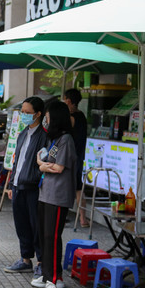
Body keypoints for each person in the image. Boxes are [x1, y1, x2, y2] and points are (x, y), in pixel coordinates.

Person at [31, 101, 76, 288]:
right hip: (46, 193)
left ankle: (53, 281)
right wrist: (42, 163)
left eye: (47, 117)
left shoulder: (66, 139)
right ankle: (51, 275)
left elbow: (57, 167)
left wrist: (41, 166)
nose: (45, 121)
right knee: (45, 235)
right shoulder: (55, 139)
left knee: (51, 236)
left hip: (57, 196)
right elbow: (44, 159)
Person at [3, 97, 47, 278]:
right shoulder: (22, 134)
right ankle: (25, 259)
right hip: (18, 185)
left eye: (27, 113)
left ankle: (41, 263)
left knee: (36, 225)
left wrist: (35, 179)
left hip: (34, 188)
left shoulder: (44, 136)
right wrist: (12, 183)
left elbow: (44, 163)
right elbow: (16, 162)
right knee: (21, 225)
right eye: (22, 112)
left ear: (38, 114)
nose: (24, 115)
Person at [64, 88, 88, 227]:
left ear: (68, 101)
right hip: (79, 157)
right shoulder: (82, 116)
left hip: (69, 158)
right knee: (79, 188)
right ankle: (83, 219)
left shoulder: (70, 118)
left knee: (67, 187)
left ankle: (63, 215)